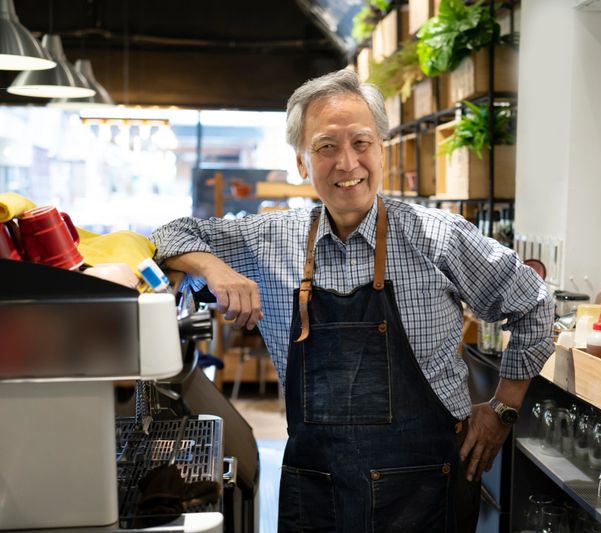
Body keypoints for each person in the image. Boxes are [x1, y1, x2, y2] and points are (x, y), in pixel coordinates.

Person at [151, 68, 553, 532]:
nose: (347, 163)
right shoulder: (269, 238)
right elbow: (166, 236)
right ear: (302, 161)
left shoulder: (438, 238)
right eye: (326, 147)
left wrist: (504, 408)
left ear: (381, 149)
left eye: (361, 143)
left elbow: (534, 303)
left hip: (426, 495)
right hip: (319, 494)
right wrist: (213, 268)